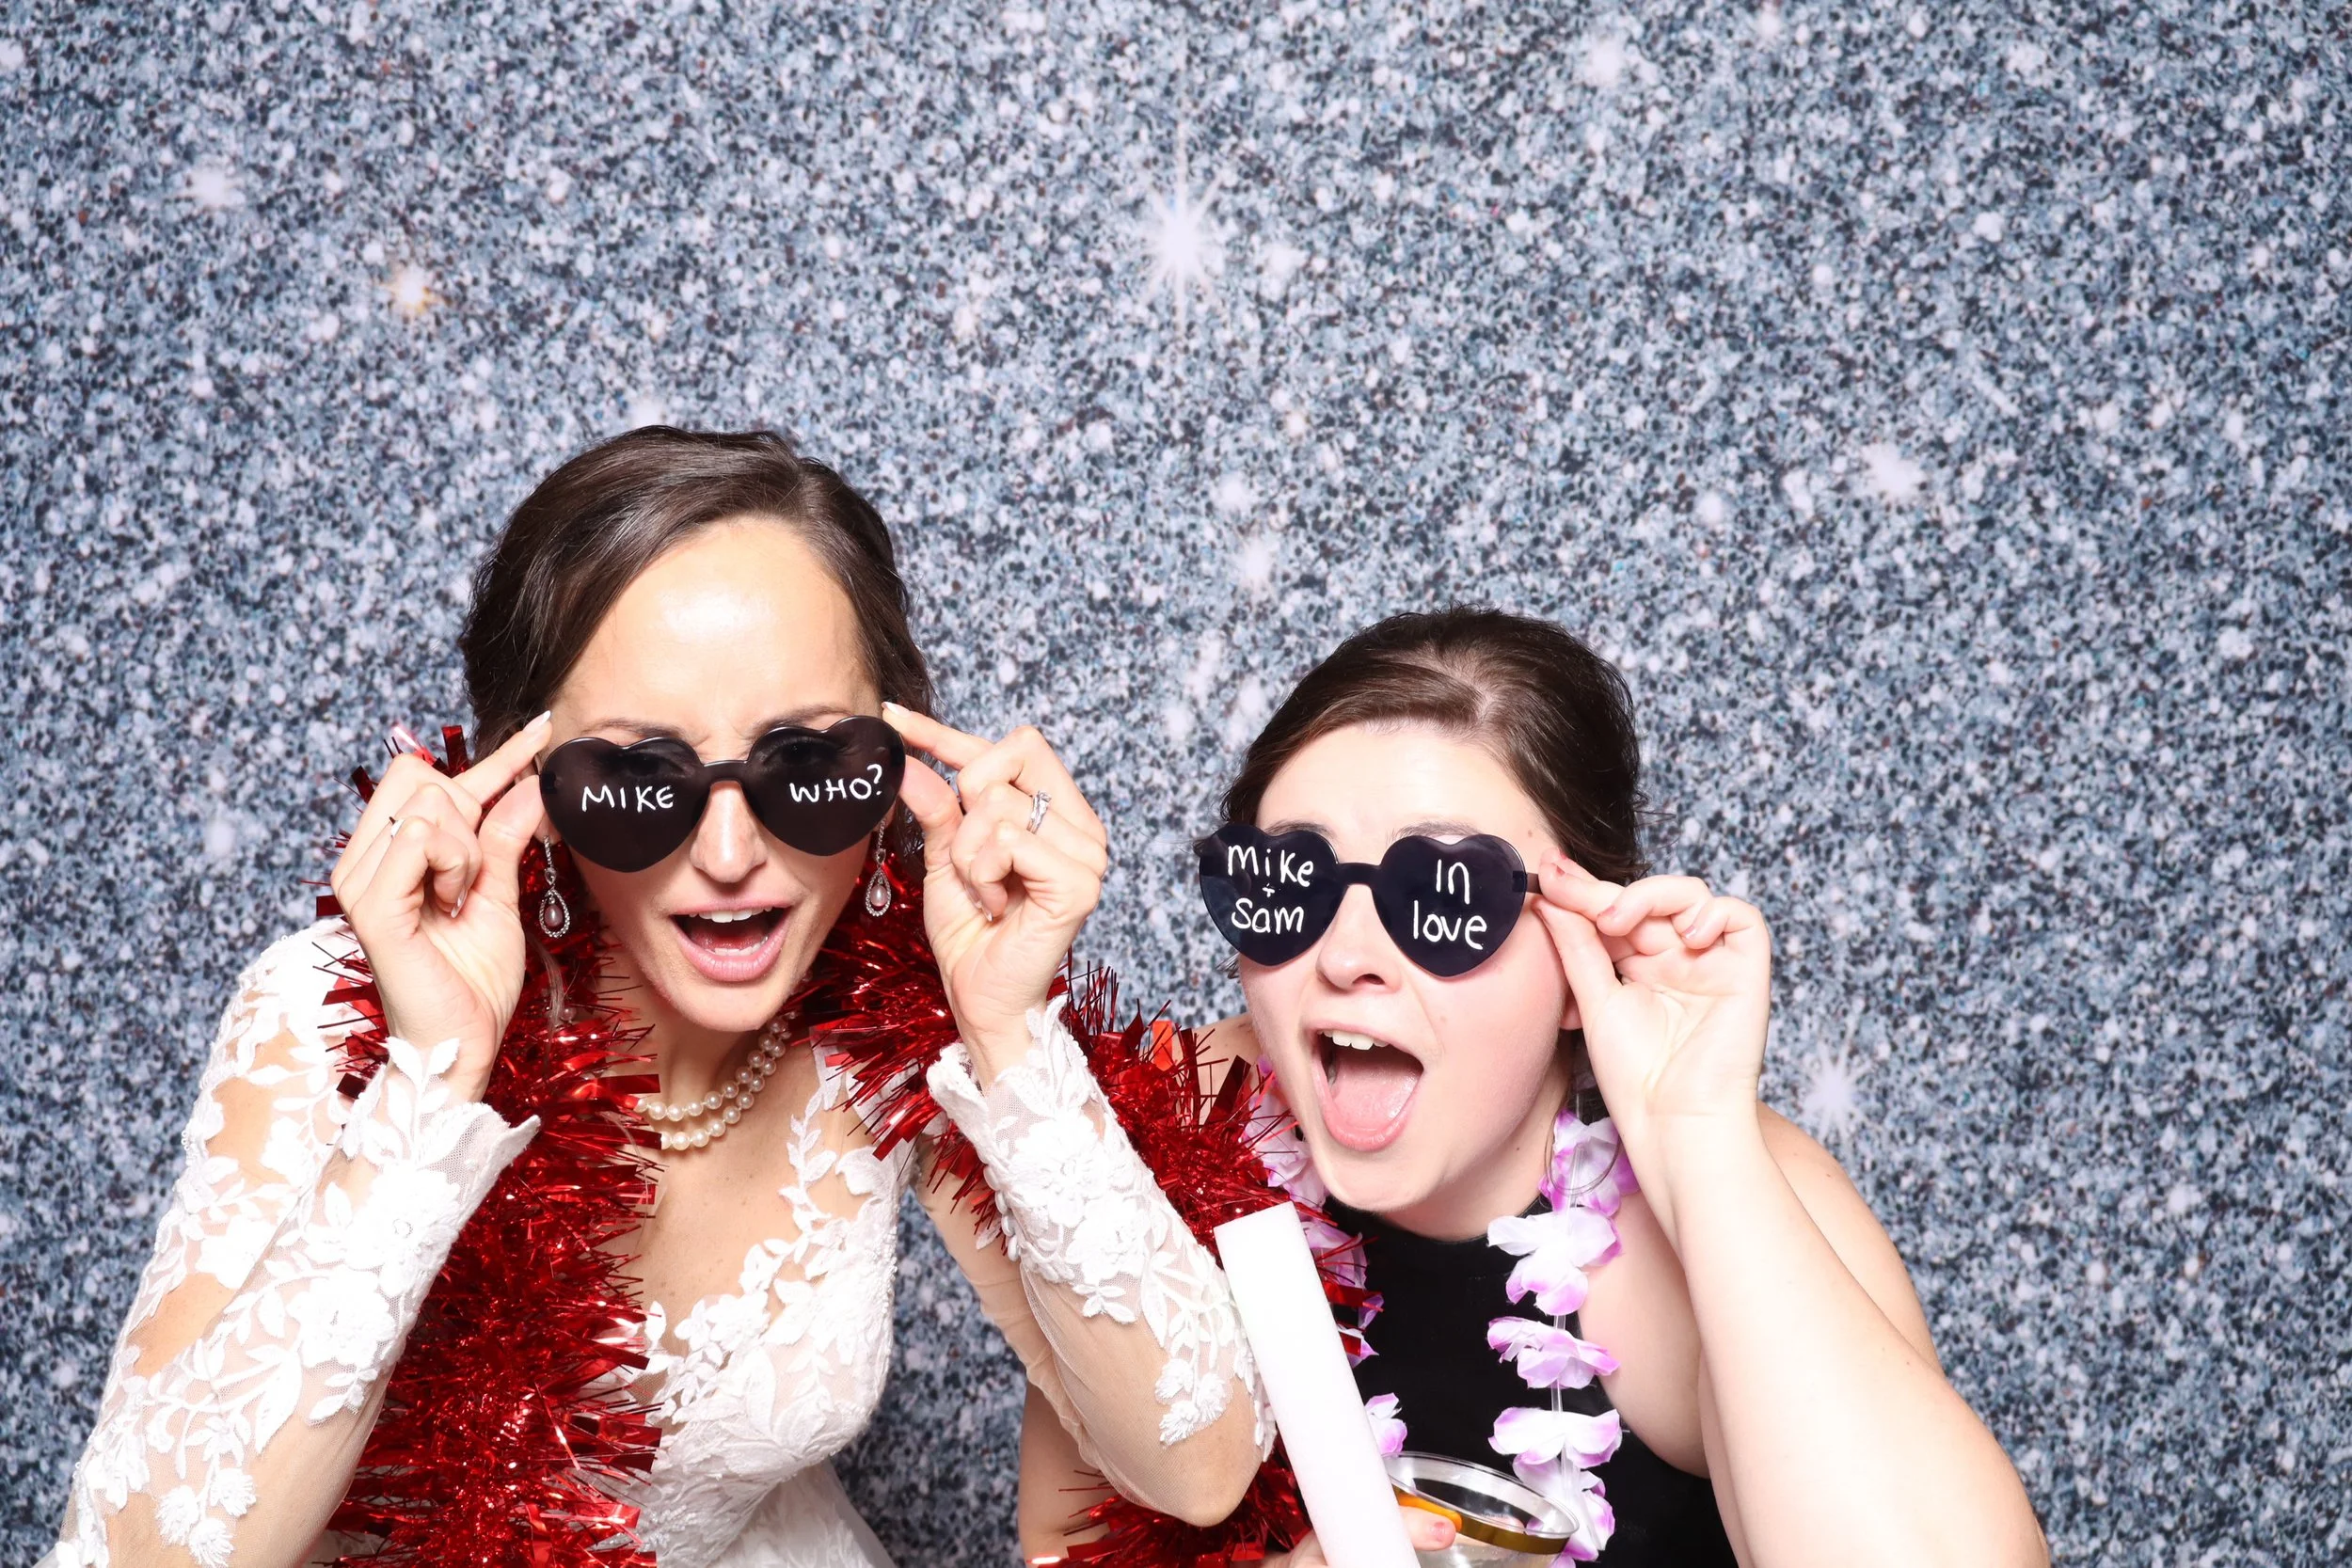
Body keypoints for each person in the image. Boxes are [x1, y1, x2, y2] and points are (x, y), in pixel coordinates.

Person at [42, 428, 1264, 1568]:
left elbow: (1197, 1464)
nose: (730, 850)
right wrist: (429, 1083)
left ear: (896, 770)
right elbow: (134, 1547)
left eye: (806, 765)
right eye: (640, 774)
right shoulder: (329, 1012)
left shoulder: (901, 1023)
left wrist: (1009, 1028)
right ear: (517, 773)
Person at [1019, 608, 2047, 1567]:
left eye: (1441, 895)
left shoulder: (1724, 1185)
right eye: (1293, 884)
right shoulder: (1175, 1143)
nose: (1349, 957)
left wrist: (1696, 1138)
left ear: (1580, 949)